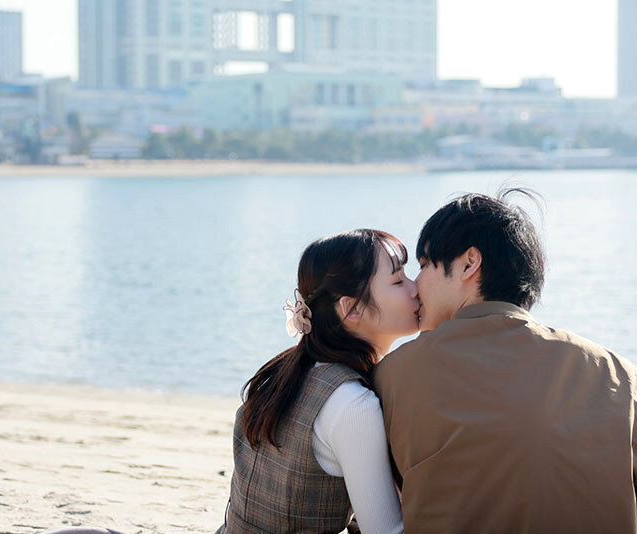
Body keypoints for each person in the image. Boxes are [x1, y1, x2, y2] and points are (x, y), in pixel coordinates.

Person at [373, 190, 637, 533]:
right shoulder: (620, 374)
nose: (415, 285)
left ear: (469, 263)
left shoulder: (394, 375)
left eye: (423, 266)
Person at [216, 229, 417, 534]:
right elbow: (385, 531)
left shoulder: (284, 370)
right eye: (398, 281)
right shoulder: (352, 403)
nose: (415, 288)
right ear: (352, 309)